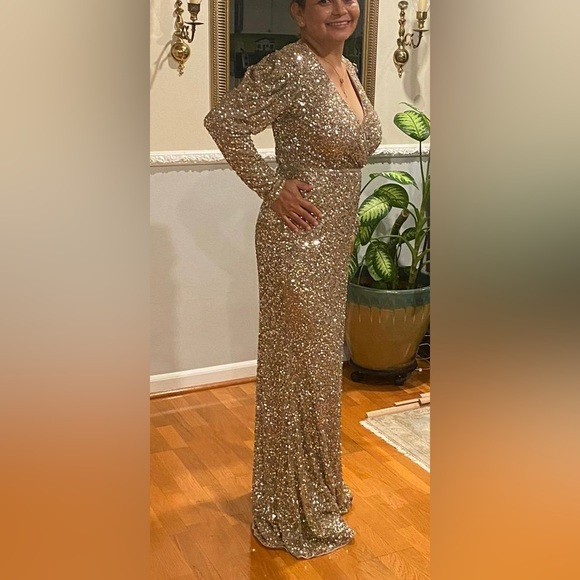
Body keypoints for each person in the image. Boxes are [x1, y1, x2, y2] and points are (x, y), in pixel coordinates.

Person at [204, 0, 381, 559]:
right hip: (295, 243)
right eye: (324, 0)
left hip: (333, 241)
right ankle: (287, 506)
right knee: (298, 372)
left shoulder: (347, 69)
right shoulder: (290, 65)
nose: (342, 8)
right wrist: (271, 185)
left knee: (320, 371)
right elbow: (223, 121)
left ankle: (316, 490)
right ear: (298, 13)